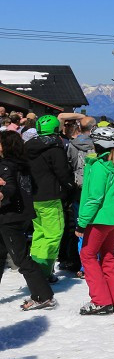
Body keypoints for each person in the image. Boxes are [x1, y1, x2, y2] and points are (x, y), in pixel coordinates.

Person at [74, 126, 114, 315]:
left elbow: (94, 198)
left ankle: (101, 300)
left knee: (87, 255)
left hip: (100, 218)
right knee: (108, 255)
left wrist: (82, 222)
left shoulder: (99, 167)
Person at [0, 130, 55, 310]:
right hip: (21, 214)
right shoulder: (22, 163)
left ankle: (43, 296)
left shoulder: (6, 165)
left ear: (5, 146)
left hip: (9, 217)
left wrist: (2, 193)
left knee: (21, 258)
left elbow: (10, 188)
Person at [25, 114, 75, 280]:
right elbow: (63, 173)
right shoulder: (55, 148)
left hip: (32, 197)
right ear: (55, 129)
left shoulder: (28, 146)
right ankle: (44, 272)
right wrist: (70, 187)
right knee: (53, 234)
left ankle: (36, 268)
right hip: (50, 197)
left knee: (39, 233)